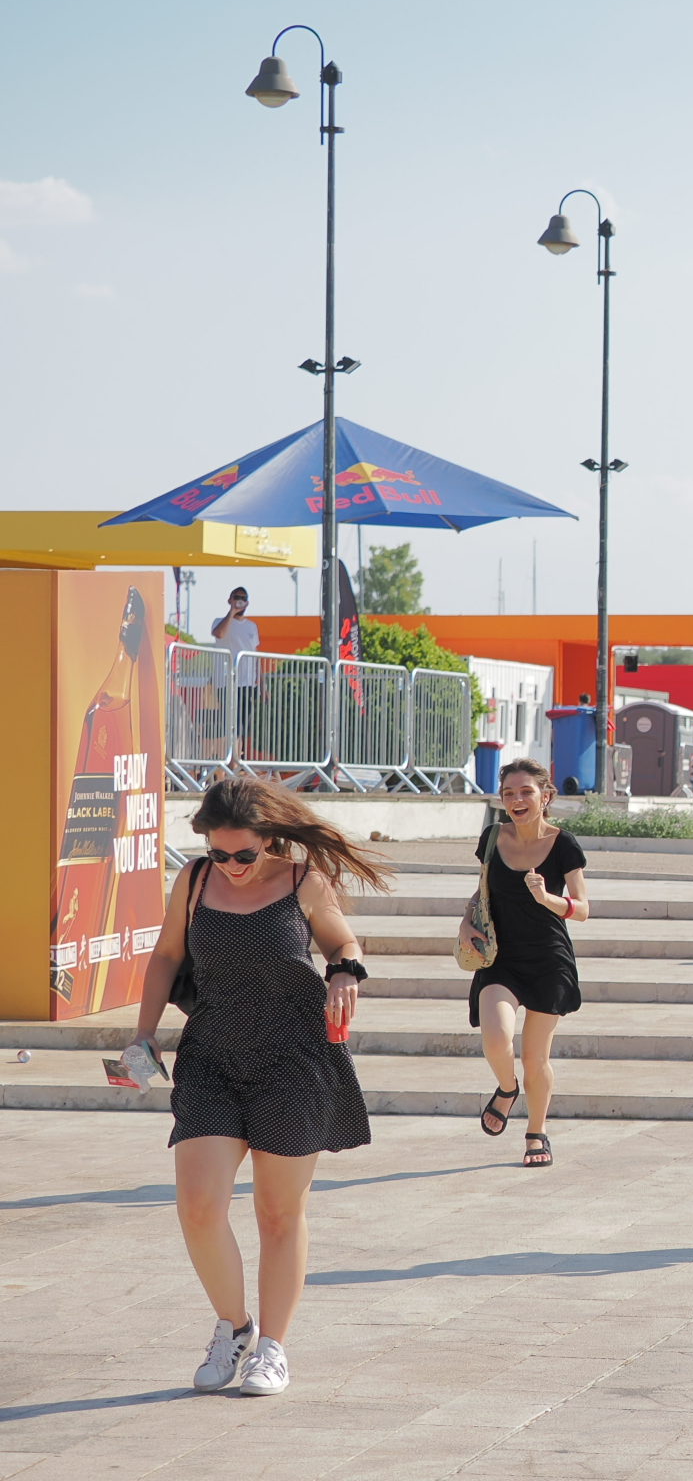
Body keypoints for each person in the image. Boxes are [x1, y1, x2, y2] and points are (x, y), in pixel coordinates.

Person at [130, 776, 392, 1397]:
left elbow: (341, 942)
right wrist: (143, 1035)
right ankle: (235, 1327)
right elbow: (167, 956)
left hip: (293, 1061)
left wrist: (344, 975)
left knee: (278, 1212)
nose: (232, 866)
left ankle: (272, 1348)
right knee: (198, 1207)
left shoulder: (302, 881)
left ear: (269, 840)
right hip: (212, 1056)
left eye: (244, 855)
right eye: (220, 853)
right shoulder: (193, 881)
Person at [465, 757, 589, 1168]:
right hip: (501, 957)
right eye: (509, 793)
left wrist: (547, 898)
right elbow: (480, 891)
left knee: (536, 1058)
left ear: (545, 796)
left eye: (526, 791)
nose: (517, 799)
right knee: (496, 1038)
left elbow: (583, 908)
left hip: (549, 961)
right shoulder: (492, 837)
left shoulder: (563, 843)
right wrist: (466, 925)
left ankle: (536, 1132)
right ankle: (506, 1087)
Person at [210, 586, 260, 756]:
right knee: (229, 725)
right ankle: (229, 764)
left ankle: (236, 762)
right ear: (230, 600)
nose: (240, 600)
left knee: (241, 728)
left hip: (246, 683)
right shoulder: (220, 621)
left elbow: (255, 654)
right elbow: (220, 634)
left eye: (243, 598)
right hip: (226, 683)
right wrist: (231, 613)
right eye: (237, 597)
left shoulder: (252, 626)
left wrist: (262, 684)